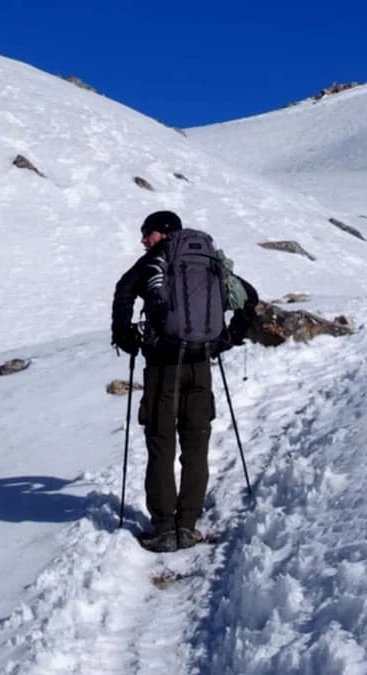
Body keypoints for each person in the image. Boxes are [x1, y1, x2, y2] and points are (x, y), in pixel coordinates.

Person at [111, 210, 259, 553]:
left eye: (147, 232)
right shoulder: (209, 261)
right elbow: (249, 298)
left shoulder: (154, 261)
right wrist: (226, 339)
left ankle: (165, 528)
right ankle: (188, 524)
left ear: (163, 233)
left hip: (163, 367)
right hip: (201, 365)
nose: (143, 239)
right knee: (196, 444)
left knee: (161, 444)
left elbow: (123, 292)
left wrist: (127, 338)